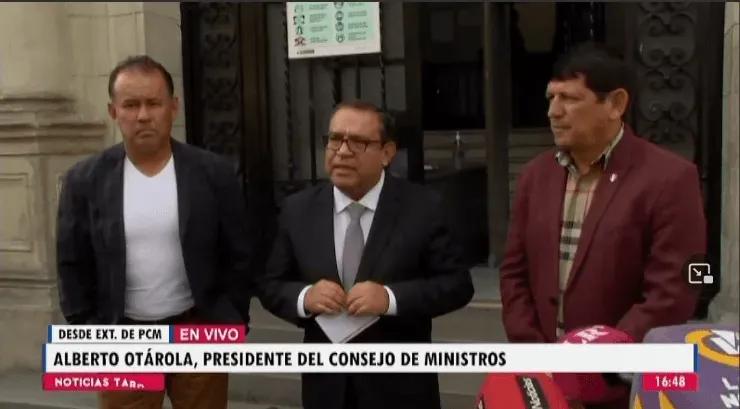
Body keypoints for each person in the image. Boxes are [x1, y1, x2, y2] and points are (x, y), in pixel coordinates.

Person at [499, 43, 706, 408]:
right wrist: (535, 354)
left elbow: (675, 291)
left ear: (615, 104)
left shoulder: (670, 178)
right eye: (551, 98)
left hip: (621, 388)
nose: (553, 112)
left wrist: (596, 363)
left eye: (569, 98)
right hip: (543, 382)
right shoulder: (536, 175)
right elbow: (514, 272)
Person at [56, 55, 256, 409]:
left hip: (197, 329)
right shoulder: (85, 181)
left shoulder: (212, 173)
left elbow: (239, 253)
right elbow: (72, 264)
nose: (143, 115)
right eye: (131, 105)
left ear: (173, 107)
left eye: (153, 103)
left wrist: (230, 318)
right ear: (113, 111)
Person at [257, 100, 474, 409]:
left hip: (400, 388)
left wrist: (390, 299)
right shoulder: (298, 210)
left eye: (358, 142)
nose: (342, 152)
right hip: (327, 389)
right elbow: (270, 284)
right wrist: (305, 297)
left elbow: (457, 285)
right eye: (335, 139)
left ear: (387, 153)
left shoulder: (423, 208)